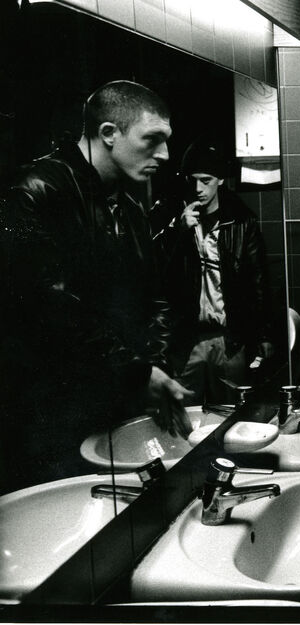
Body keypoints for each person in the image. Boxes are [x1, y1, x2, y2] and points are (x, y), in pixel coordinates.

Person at [0, 80, 191, 492]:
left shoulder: (130, 204)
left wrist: (153, 368)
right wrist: (138, 372)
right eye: (152, 139)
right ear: (108, 134)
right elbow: (47, 305)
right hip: (49, 419)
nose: (165, 155)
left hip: (116, 403)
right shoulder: (34, 191)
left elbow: (154, 296)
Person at [156, 140, 276, 406]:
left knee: (231, 416)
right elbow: (155, 274)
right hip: (187, 340)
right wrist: (177, 230)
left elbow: (258, 282)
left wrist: (264, 335)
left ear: (220, 180)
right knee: (185, 418)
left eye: (206, 180)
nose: (198, 188)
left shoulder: (242, 223)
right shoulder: (171, 217)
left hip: (228, 339)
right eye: (193, 180)